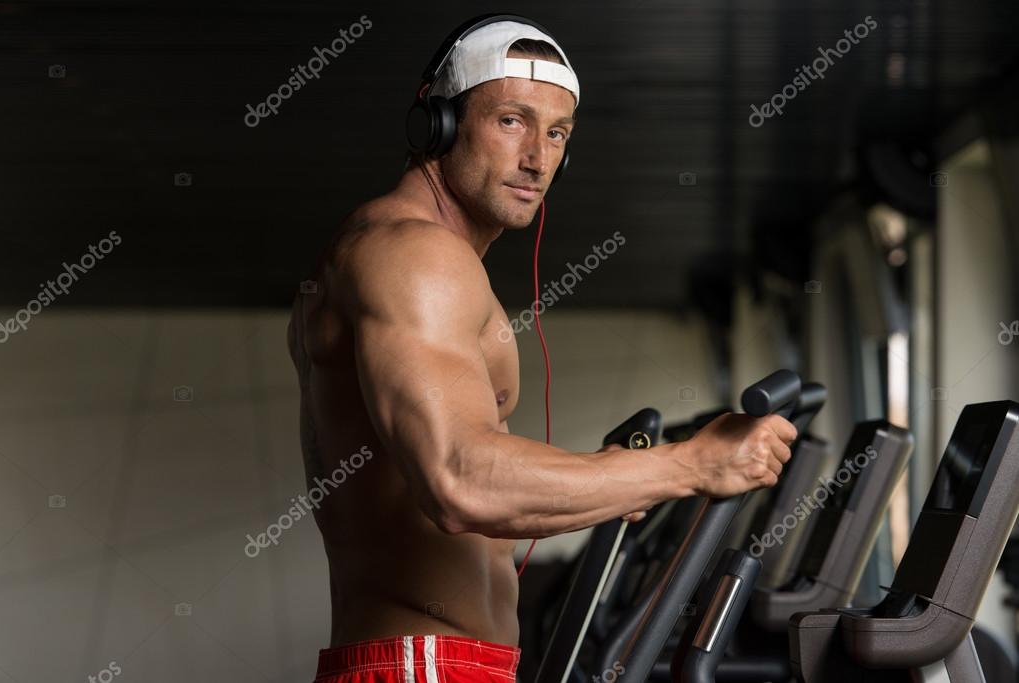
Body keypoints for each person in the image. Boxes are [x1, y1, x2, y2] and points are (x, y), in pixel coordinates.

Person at [286, 15, 797, 683]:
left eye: (555, 133)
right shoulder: (413, 256)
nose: (537, 158)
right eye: (511, 121)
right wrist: (691, 464)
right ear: (436, 122)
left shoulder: (420, 256)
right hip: (425, 666)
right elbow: (460, 479)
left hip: (453, 663)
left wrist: (615, 479)